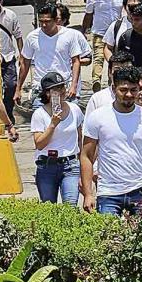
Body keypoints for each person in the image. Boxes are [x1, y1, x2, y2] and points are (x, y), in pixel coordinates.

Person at [79, 66, 142, 236]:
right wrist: (88, 194)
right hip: (108, 193)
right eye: (123, 90)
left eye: (134, 90)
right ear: (113, 88)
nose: (129, 95)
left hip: (141, 190)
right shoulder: (97, 117)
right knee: (110, 244)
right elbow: (86, 156)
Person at [18, 4, 85, 107]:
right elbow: (25, 63)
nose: (44, 25)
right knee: (41, 120)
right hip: (41, 89)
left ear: (55, 20)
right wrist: (18, 88)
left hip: (64, 88)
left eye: (47, 21)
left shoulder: (69, 35)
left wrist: (74, 86)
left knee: (68, 120)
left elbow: (76, 61)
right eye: (41, 21)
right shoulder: (32, 37)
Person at [31, 73, 83, 205]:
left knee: (70, 207)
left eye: (62, 87)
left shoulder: (75, 109)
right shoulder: (39, 114)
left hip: (70, 165)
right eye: (56, 89)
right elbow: (39, 144)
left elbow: (80, 140)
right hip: (47, 166)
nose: (61, 92)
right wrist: (52, 124)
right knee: (49, 208)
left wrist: (84, 168)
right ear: (47, 93)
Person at [83, 0, 127, 91]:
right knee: (98, 57)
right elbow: (88, 16)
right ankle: (96, 81)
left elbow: (126, 10)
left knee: (115, 59)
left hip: (117, 34)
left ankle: (112, 82)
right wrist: (84, 31)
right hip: (100, 33)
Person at [0, 0, 23, 121]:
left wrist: (21, 55)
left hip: (8, 57)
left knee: (11, 85)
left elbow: (18, 36)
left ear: (1, 1)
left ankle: (7, 112)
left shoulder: (10, 15)